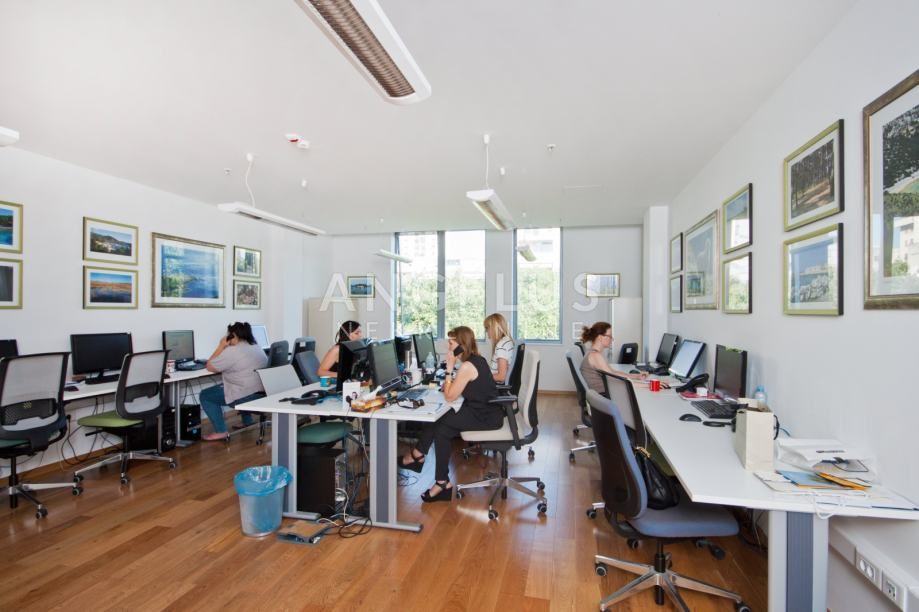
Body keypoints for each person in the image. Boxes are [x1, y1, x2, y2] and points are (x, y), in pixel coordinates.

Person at [398, 326, 503, 502]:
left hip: (485, 417)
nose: (449, 347)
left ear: (462, 345)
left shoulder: (467, 366)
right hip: (485, 411)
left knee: (441, 422)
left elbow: (449, 396)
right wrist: (453, 378)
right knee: (441, 428)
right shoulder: (477, 359)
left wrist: (449, 369)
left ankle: (419, 457)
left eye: (451, 343)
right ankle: (440, 480)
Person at [200, 322, 269, 441]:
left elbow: (209, 366)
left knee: (205, 395)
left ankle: (221, 431)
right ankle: (247, 421)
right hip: (261, 394)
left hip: (245, 396)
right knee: (238, 384)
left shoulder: (233, 351)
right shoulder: (256, 347)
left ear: (233, 335)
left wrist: (221, 346)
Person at [484, 313, 515, 383]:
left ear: (494, 328)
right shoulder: (507, 341)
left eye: (487, 328)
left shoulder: (501, 345)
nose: (486, 331)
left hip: (494, 385)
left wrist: (482, 377)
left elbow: (501, 377)